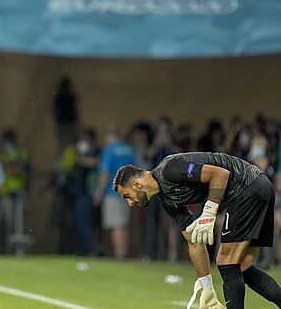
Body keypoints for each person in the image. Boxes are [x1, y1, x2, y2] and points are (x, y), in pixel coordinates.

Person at [113, 152, 281, 309]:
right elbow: (193, 241)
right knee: (242, 266)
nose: (130, 203)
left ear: (136, 184)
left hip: (247, 187)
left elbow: (220, 174)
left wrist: (209, 211)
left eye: (127, 196)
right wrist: (206, 287)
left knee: (226, 260)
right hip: (257, 187)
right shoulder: (168, 202)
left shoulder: (169, 170)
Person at [93, 125, 135, 259]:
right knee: (123, 224)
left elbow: (104, 173)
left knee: (116, 225)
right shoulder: (128, 149)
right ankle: (124, 252)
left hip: (113, 192)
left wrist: (99, 192)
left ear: (108, 136)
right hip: (128, 192)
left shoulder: (109, 150)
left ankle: (119, 255)